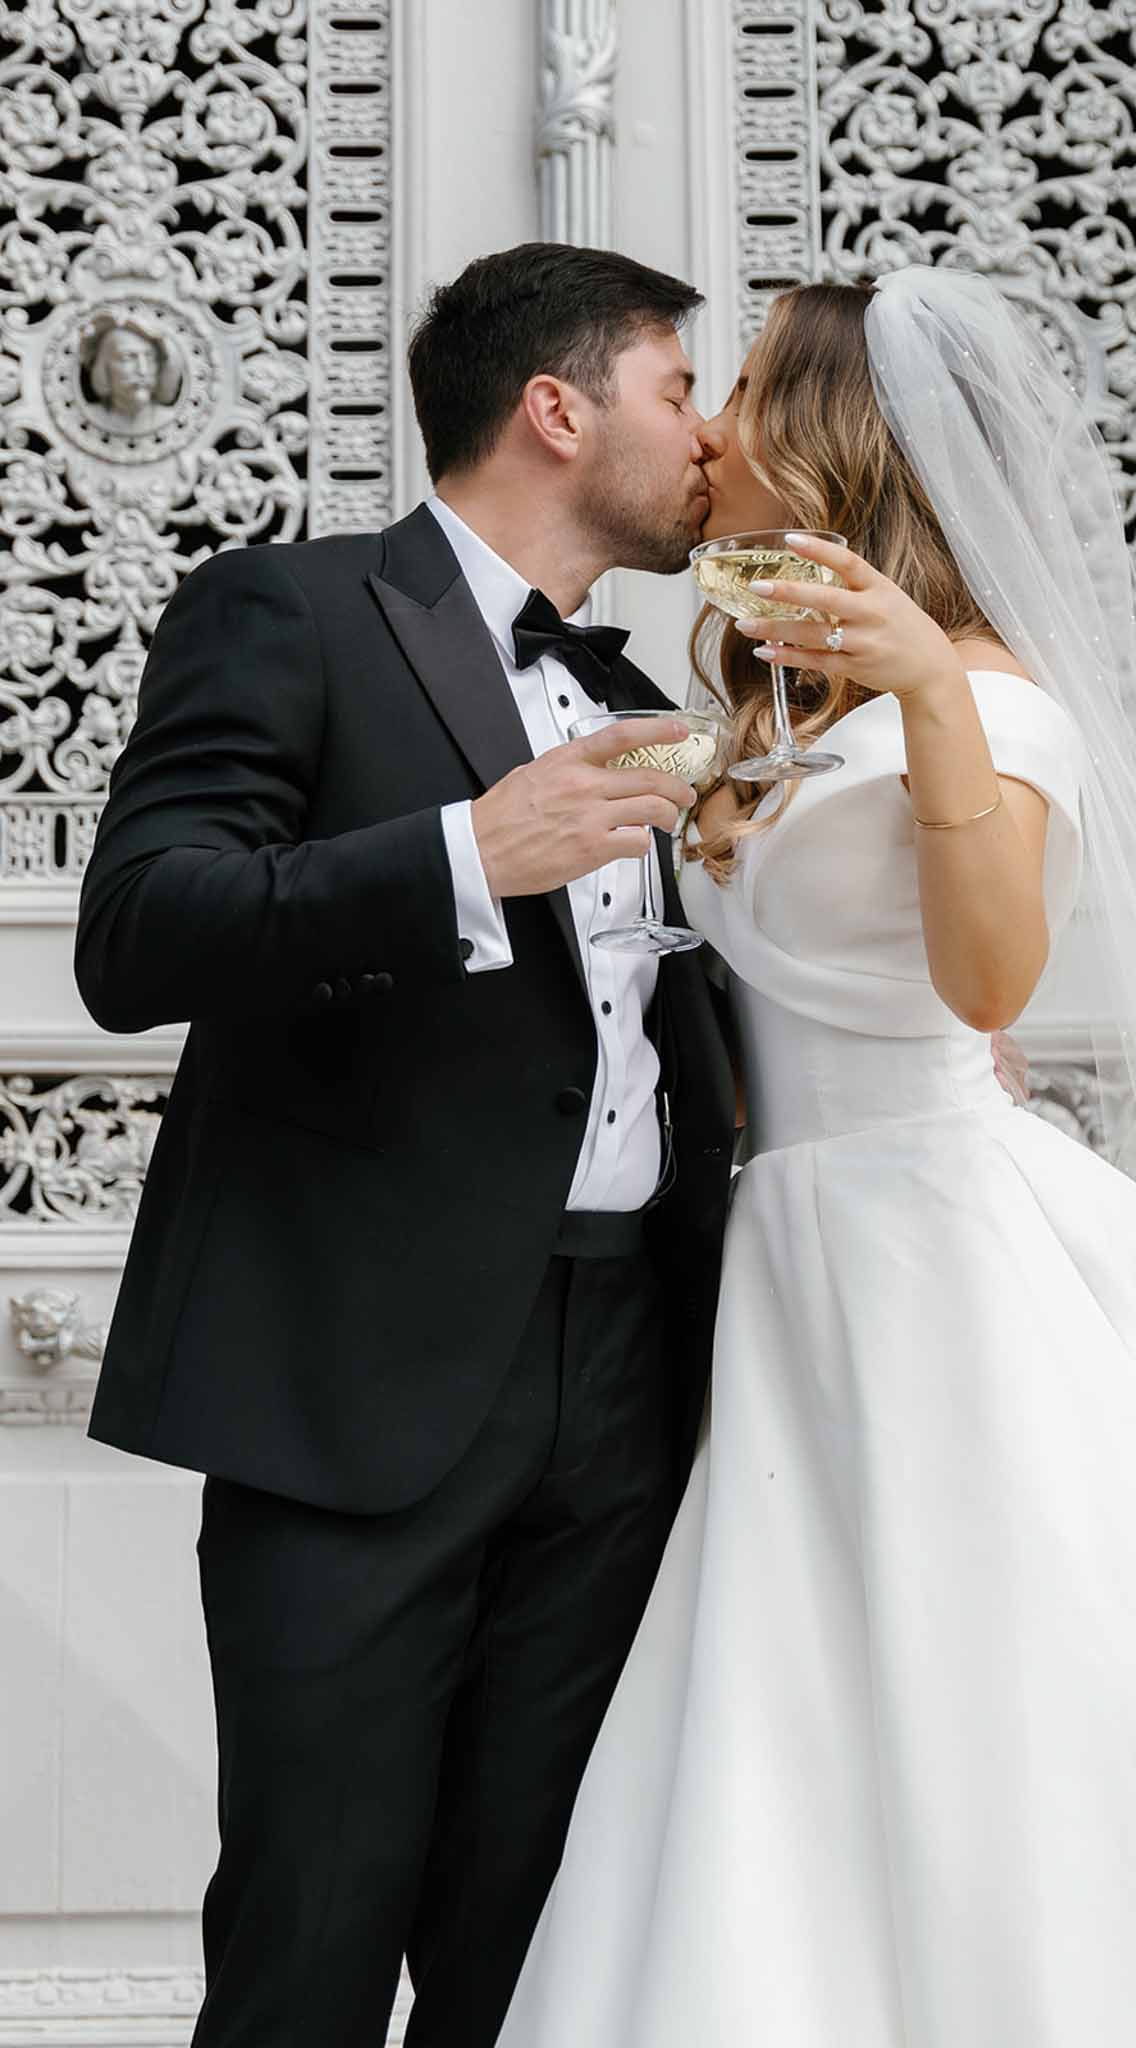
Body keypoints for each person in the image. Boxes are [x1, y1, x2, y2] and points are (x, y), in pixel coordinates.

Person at [494, 271, 1136, 2045]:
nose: (714, 424)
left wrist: (934, 702)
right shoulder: (776, 713)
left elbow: (987, 981)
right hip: (787, 1247)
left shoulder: (996, 704)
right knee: (806, 1694)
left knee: (1002, 1664)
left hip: (948, 1246)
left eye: (742, 387)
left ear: (835, 440)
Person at [73, 243, 734, 2048]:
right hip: (354, 1376)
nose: (708, 435)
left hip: (626, 1372)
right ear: (556, 408)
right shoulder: (287, 610)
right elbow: (140, 932)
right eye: (678, 391)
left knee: (545, 1935)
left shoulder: (639, 686)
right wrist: (460, 854)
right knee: (314, 1921)